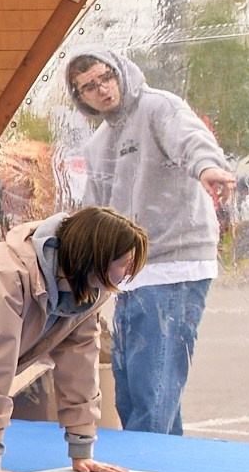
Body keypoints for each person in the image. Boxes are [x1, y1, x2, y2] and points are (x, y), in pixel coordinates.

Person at [62, 46, 238, 436]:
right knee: (134, 391)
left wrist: (209, 169)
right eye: (89, 86)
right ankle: (164, 471)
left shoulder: (159, 107)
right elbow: (93, 214)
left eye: (106, 77)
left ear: (120, 72)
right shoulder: (98, 144)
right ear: (80, 97)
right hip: (129, 274)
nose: (102, 89)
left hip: (174, 263)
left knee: (151, 390)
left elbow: (191, 141)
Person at [0, 207, 148, 472]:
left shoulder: (88, 292)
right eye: (126, 262)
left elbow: (80, 366)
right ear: (96, 256)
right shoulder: (5, 273)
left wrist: (81, 451)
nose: (130, 272)